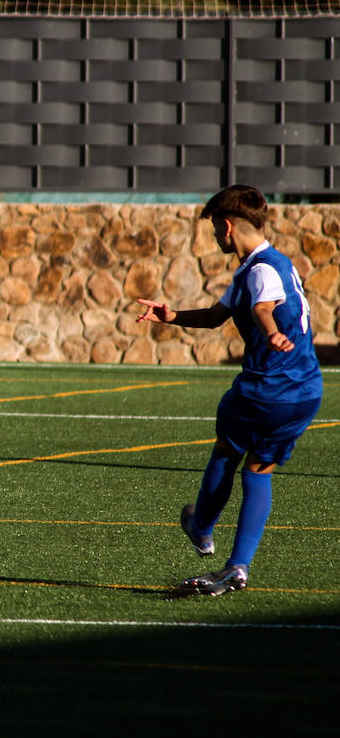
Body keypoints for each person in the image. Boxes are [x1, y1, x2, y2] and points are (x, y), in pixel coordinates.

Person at [136, 184, 321, 595]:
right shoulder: (275, 263)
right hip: (305, 392)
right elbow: (218, 315)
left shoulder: (259, 271)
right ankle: (237, 567)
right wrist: (172, 316)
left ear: (226, 226)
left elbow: (262, 306)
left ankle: (200, 528)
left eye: (215, 230)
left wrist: (270, 332)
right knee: (259, 469)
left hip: (266, 389)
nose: (216, 238)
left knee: (226, 450)